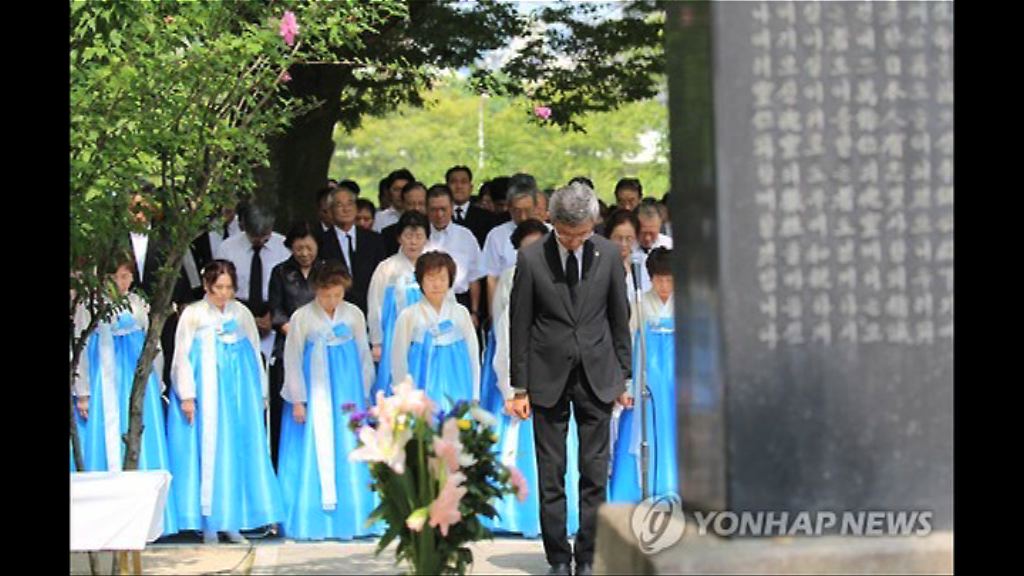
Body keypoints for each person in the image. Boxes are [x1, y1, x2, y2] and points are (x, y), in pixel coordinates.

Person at [509, 182, 632, 576]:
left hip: (598, 375)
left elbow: (619, 317)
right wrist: (520, 386)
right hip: (547, 377)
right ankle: (558, 557)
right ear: (552, 223)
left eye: (582, 234)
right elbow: (520, 324)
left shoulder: (610, 254)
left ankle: (590, 555)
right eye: (566, 234)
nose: (575, 242)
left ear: (593, 224)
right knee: (552, 471)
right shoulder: (531, 259)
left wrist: (624, 376)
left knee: (595, 472)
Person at [166, 260, 285, 545]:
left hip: (236, 396)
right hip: (206, 394)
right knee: (207, 453)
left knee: (235, 454)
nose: (224, 293)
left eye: (229, 287)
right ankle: (208, 523)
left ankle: (233, 521)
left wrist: (259, 393)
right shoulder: (194, 314)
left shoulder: (241, 313)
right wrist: (187, 395)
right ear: (207, 286)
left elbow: (254, 352)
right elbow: (181, 355)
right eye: (218, 287)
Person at [483, 219, 581, 539]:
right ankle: (516, 516)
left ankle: (565, 518)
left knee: (560, 461)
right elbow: (505, 340)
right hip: (525, 388)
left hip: (560, 386)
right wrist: (512, 388)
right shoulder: (513, 288)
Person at [73, 256, 180, 537]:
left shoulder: (137, 303)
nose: (124, 282)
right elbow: (80, 348)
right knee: (109, 441)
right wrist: (82, 391)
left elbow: (151, 343)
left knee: (141, 441)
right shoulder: (90, 305)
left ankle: (147, 522)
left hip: (135, 380)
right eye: (118, 276)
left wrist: (156, 382)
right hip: (105, 382)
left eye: (127, 276)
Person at [276, 261, 379, 540]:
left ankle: (355, 516)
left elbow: (363, 356)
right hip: (316, 391)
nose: (332, 300)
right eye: (326, 294)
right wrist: (298, 399)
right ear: (316, 291)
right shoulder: (302, 317)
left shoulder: (354, 315)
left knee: (348, 445)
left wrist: (367, 393)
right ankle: (314, 519)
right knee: (313, 446)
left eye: (337, 294)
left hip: (348, 391)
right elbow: (293, 358)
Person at [609, 248, 677, 501]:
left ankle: (673, 487)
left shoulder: (685, 304)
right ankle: (635, 491)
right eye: (659, 279)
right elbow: (626, 343)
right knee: (641, 431)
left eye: (670, 279)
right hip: (645, 379)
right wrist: (625, 386)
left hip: (674, 382)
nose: (664, 285)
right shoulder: (640, 304)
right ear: (650, 278)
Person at [390, 251, 478, 412]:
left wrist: (475, 393)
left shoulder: (461, 312)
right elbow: (399, 357)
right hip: (421, 382)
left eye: (442, 279)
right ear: (420, 281)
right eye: (430, 279)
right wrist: (402, 394)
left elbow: (472, 352)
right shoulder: (409, 315)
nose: (436, 284)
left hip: (457, 379)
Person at [267, 222, 322, 469]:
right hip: (289, 344)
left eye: (309, 247)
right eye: (298, 248)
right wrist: (297, 333)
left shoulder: (326, 271)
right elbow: (276, 312)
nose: (304, 253)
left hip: (322, 345)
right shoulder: (280, 272)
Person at [366, 211, 438, 397]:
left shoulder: (435, 267)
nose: (413, 242)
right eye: (408, 236)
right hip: (393, 333)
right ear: (399, 238)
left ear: (427, 239)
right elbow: (375, 305)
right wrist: (377, 341)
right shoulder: (386, 268)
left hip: (428, 333)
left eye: (418, 236)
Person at [214, 202, 291, 364]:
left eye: (265, 236)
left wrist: (272, 317)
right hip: (237, 310)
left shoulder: (284, 247)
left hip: (273, 312)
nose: (259, 241)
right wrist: (246, 318)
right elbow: (220, 287)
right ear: (243, 227)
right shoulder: (227, 248)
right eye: (254, 236)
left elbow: (288, 287)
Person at [317, 184, 389, 317]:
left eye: (350, 204)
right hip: (335, 310)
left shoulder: (374, 240)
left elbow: (382, 275)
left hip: (371, 309)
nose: (346, 209)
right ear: (330, 211)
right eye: (339, 205)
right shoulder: (320, 242)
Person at [425, 184, 484, 325]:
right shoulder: (420, 236)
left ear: (451, 208)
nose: (439, 215)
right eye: (434, 210)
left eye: (443, 209)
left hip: (460, 301)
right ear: (426, 210)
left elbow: (474, 277)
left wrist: (474, 312)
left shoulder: (466, 236)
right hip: (426, 303)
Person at [446, 165, 500, 248]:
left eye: (463, 182)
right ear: (446, 187)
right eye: (454, 182)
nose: (459, 186)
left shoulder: (488, 218)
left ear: (471, 188)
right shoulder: (439, 215)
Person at [380, 180, 428, 255]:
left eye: (421, 204)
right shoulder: (388, 235)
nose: (416, 208)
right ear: (403, 204)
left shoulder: (435, 230)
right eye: (411, 204)